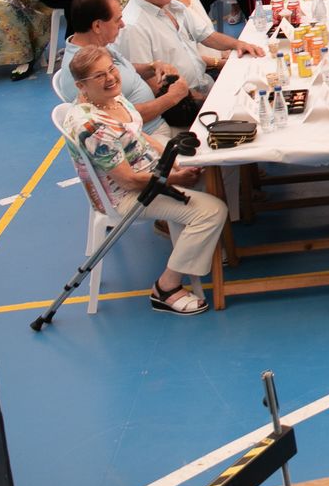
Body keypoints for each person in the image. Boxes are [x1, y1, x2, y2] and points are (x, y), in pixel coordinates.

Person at [61, 47, 226, 316]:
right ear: (81, 86)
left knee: (216, 168)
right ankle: (166, 288)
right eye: (99, 76)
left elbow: (139, 135)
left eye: (111, 69)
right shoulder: (94, 128)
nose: (110, 78)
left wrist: (172, 159)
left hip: (151, 171)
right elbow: (128, 181)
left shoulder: (111, 98)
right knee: (212, 211)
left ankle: (205, 249)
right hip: (129, 195)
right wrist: (173, 177)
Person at [119, 0, 266, 98]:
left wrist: (239, 44)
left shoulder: (172, 5)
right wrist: (193, 100)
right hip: (182, 101)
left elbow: (208, 36)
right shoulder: (133, 26)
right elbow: (148, 82)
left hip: (205, 83)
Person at [52, 0, 194, 133]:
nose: (122, 25)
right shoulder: (80, 73)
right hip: (147, 134)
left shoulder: (95, 48)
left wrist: (152, 67)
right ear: (97, 26)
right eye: (117, 20)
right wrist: (173, 97)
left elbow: (125, 69)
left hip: (159, 121)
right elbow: (114, 120)